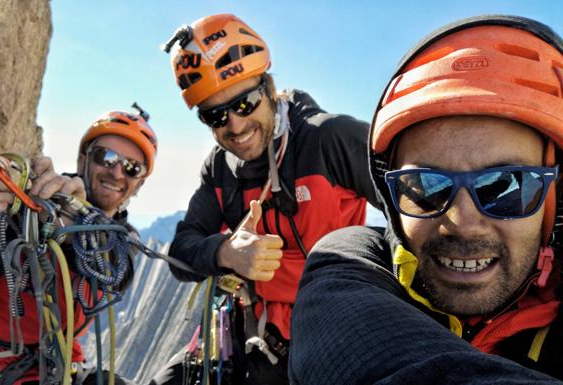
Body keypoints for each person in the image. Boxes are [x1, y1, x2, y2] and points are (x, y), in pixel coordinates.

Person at [289, 15, 563, 384]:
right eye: (425, 186)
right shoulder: (350, 263)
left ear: (556, 201)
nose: (463, 222)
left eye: (507, 185)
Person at [153, 13, 377, 385]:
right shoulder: (221, 169)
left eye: (245, 103)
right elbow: (181, 252)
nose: (235, 127)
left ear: (269, 88)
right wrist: (226, 253)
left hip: (336, 330)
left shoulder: (329, 140)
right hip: (256, 336)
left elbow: (413, 212)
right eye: (215, 115)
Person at [0, 108, 157, 384]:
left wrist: (70, 232)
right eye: (106, 157)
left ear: (139, 183)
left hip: (58, 367)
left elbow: (115, 269)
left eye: (131, 168)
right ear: (83, 158)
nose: (116, 172)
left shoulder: (122, 242)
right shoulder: (29, 203)